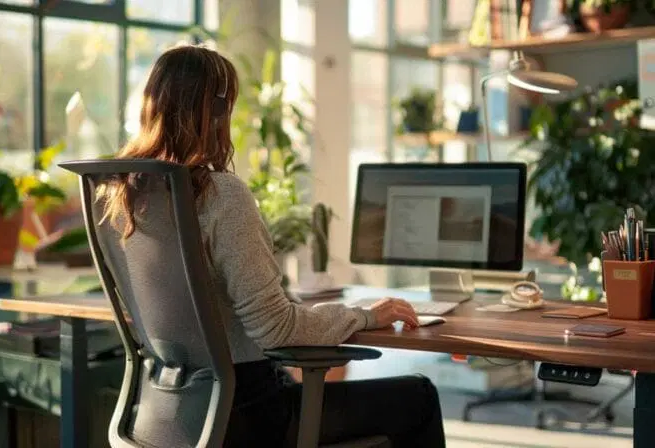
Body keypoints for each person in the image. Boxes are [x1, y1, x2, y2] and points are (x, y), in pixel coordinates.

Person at [98, 44, 446, 448]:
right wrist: (365, 316)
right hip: (241, 417)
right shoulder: (219, 195)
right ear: (216, 112)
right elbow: (275, 329)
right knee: (417, 396)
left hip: (164, 415)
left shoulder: (116, 195)